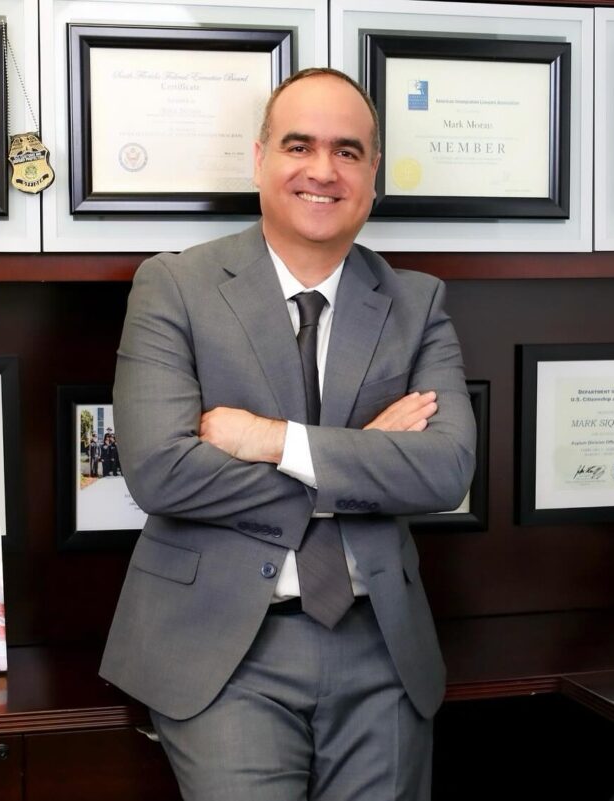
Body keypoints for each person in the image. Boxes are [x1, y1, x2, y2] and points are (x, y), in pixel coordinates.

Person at [100, 67, 476, 801]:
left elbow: (444, 470)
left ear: (372, 173)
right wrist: (365, 458)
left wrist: (275, 441)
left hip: (381, 645)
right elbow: (160, 471)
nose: (322, 170)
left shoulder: (417, 301)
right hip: (222, 648)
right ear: (259, 159)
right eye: (299, 146)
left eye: (347, 151)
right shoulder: (175, 286)